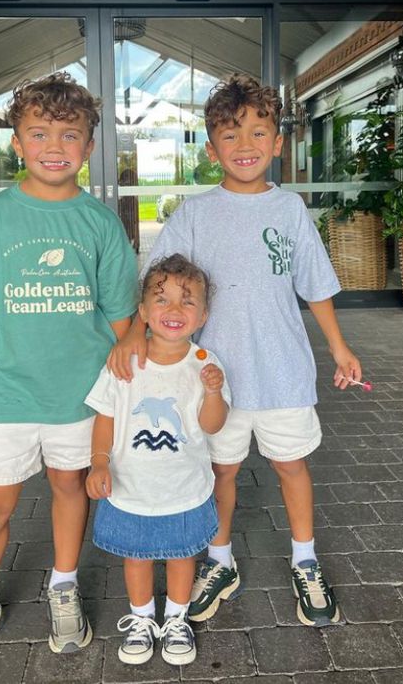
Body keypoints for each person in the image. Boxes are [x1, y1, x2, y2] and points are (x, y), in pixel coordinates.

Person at [108, 73, 362, 628]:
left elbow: (315, 285)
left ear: (277, 143)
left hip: (283, 373)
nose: (244, 146)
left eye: (257, 133)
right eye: (230, 134)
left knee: (290, 465)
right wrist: (133, 334)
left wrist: (340, 349)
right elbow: (156, 278)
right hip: (211, 379)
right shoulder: (196, 212)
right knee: (220, 472)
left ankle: (305, 558)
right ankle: (219, 562)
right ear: (210, 145)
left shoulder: (290, 209)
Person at [0, 72, 138, 673]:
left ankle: (64, 584)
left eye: (70, 134)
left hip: (81, 396)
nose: (55, 145)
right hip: (3, 393)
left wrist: (133, 391)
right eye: (39, 133)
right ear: (17, 143)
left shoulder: (99, 225)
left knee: (70, 487)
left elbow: (123, 320)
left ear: (89, 146)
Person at [85, 254, 229, 665]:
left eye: (187, 301)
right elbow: (106, 415)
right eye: (161, 300)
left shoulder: (205, 364)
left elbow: (213, 425)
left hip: (185, 486)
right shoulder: (123, 362)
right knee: (137, 555)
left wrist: (215, 392)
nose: (174, 310)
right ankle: (142, 617)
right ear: (144, 311)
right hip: (131, 484)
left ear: (202, 316)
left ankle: (178, 618)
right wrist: (98, 461)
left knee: (183, 554)